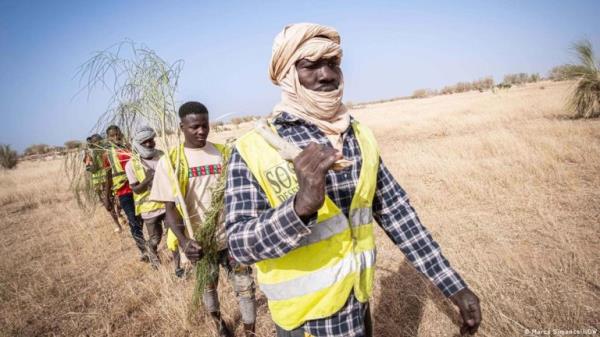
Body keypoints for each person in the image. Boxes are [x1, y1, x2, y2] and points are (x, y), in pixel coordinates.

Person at [225, 23, 482, 337]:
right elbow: (238, 245)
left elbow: (398, 215)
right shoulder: (254, 147)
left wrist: (453, 286)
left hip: (358, 309)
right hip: (305, 324)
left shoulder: (359, 136)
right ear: (288, 74)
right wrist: (300, 208)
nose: (326, 74)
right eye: (311, 66)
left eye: (333, 63)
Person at [149, 102, 257, 337]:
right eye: (194, 127)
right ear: (182, 127)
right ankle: (219, 325)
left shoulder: (225, 153)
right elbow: (170, 208)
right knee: (209, 289)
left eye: (205, 126)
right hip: (200, 243)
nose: (201, 131)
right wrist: (184, 241)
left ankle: (250, 332)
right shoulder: (172, 161)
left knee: (246, 288)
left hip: (232, 238)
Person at [124, 125, 183, 272]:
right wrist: (147, 179)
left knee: (173, 236)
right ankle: (153, 257)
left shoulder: (163, 156)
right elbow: (136, 189)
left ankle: (178, 267)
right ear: (138, 144)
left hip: (168, 205)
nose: (150, 144)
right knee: (155, 238)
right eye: (146, 142)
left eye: (151, 140)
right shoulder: (132, 164)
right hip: (149, 209)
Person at [103, 125, 148, 261]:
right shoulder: (107, 154)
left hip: (138, 188)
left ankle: (147, 245)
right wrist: (107, 197)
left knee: (142, 219)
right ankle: (144, 251)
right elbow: (108, 175)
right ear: (108, 138)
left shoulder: (129, 148)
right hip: (123, 192)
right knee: (133, 221)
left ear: (121, 134)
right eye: (112, 135)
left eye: (117, 134)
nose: (115, 137)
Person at [84, 133, 123, 232]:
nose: (98, 144)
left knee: (118, 199)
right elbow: (89, 168)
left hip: (110, 179)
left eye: (99, 141)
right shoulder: (90, 154)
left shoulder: (107, 151)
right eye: (95, 142)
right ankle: (118, 225)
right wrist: (94, 165)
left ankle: (119, 214)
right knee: (108, 205)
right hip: (98, 182)